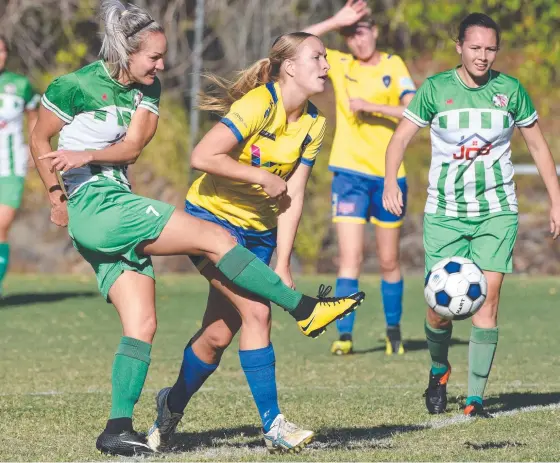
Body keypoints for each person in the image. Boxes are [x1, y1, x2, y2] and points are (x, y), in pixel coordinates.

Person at [30, 1, 365, 457]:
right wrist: (55, 195)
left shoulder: (146, 92)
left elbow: (131, 148)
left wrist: (86, 158)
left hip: (116, 203)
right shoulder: (72, 85)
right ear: (125, 52)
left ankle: (120, 427)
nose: (162, 64)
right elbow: (38, 136)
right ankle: (304, 312)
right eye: (153, 57)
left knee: (149, 325)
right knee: (221, 250)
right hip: (103, 203)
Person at [147, 32, 337, 454]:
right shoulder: (257, 105)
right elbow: (202, 157)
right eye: (317, 57)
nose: (326, 65)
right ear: (289, 66)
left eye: (326, 58)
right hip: (210, 222)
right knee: (257, 314)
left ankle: (170, 404)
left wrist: (283, 262)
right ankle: (274, 426)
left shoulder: (315, 122)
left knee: (216, 336)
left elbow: (295, 195)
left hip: (259, 233)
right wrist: (262, 176)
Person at [383, 12, 560, 417]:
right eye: (475, 48)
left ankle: (475, 399)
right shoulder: (434, 90)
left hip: (497, 211)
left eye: (490, 49)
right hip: (444, 213)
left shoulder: (511, 91)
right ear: (459, 47)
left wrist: (556, 199)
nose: (483, 56)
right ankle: (439, 369)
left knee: (488, 300)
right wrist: (390, 182)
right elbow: (399, 141)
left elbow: (537, 147)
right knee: (437, 309)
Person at [303, 0, 417, 356]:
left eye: (362, 31)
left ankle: (393, 331)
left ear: (376, 32)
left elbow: (414, 110)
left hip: (389, 176)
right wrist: (337, 20)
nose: (357, 41)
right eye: (349, 35)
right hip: (349, 173)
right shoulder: (340, 63)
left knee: (388, 261)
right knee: (349, 259)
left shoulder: (392, 65)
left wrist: (372, 106)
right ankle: (345, 335)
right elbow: (292, 43)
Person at [0, 35, 40, 296]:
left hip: (10, 169)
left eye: (1, 50)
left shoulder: (20, 85)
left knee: (1, 226)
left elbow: (35, 119)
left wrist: (36, 152)